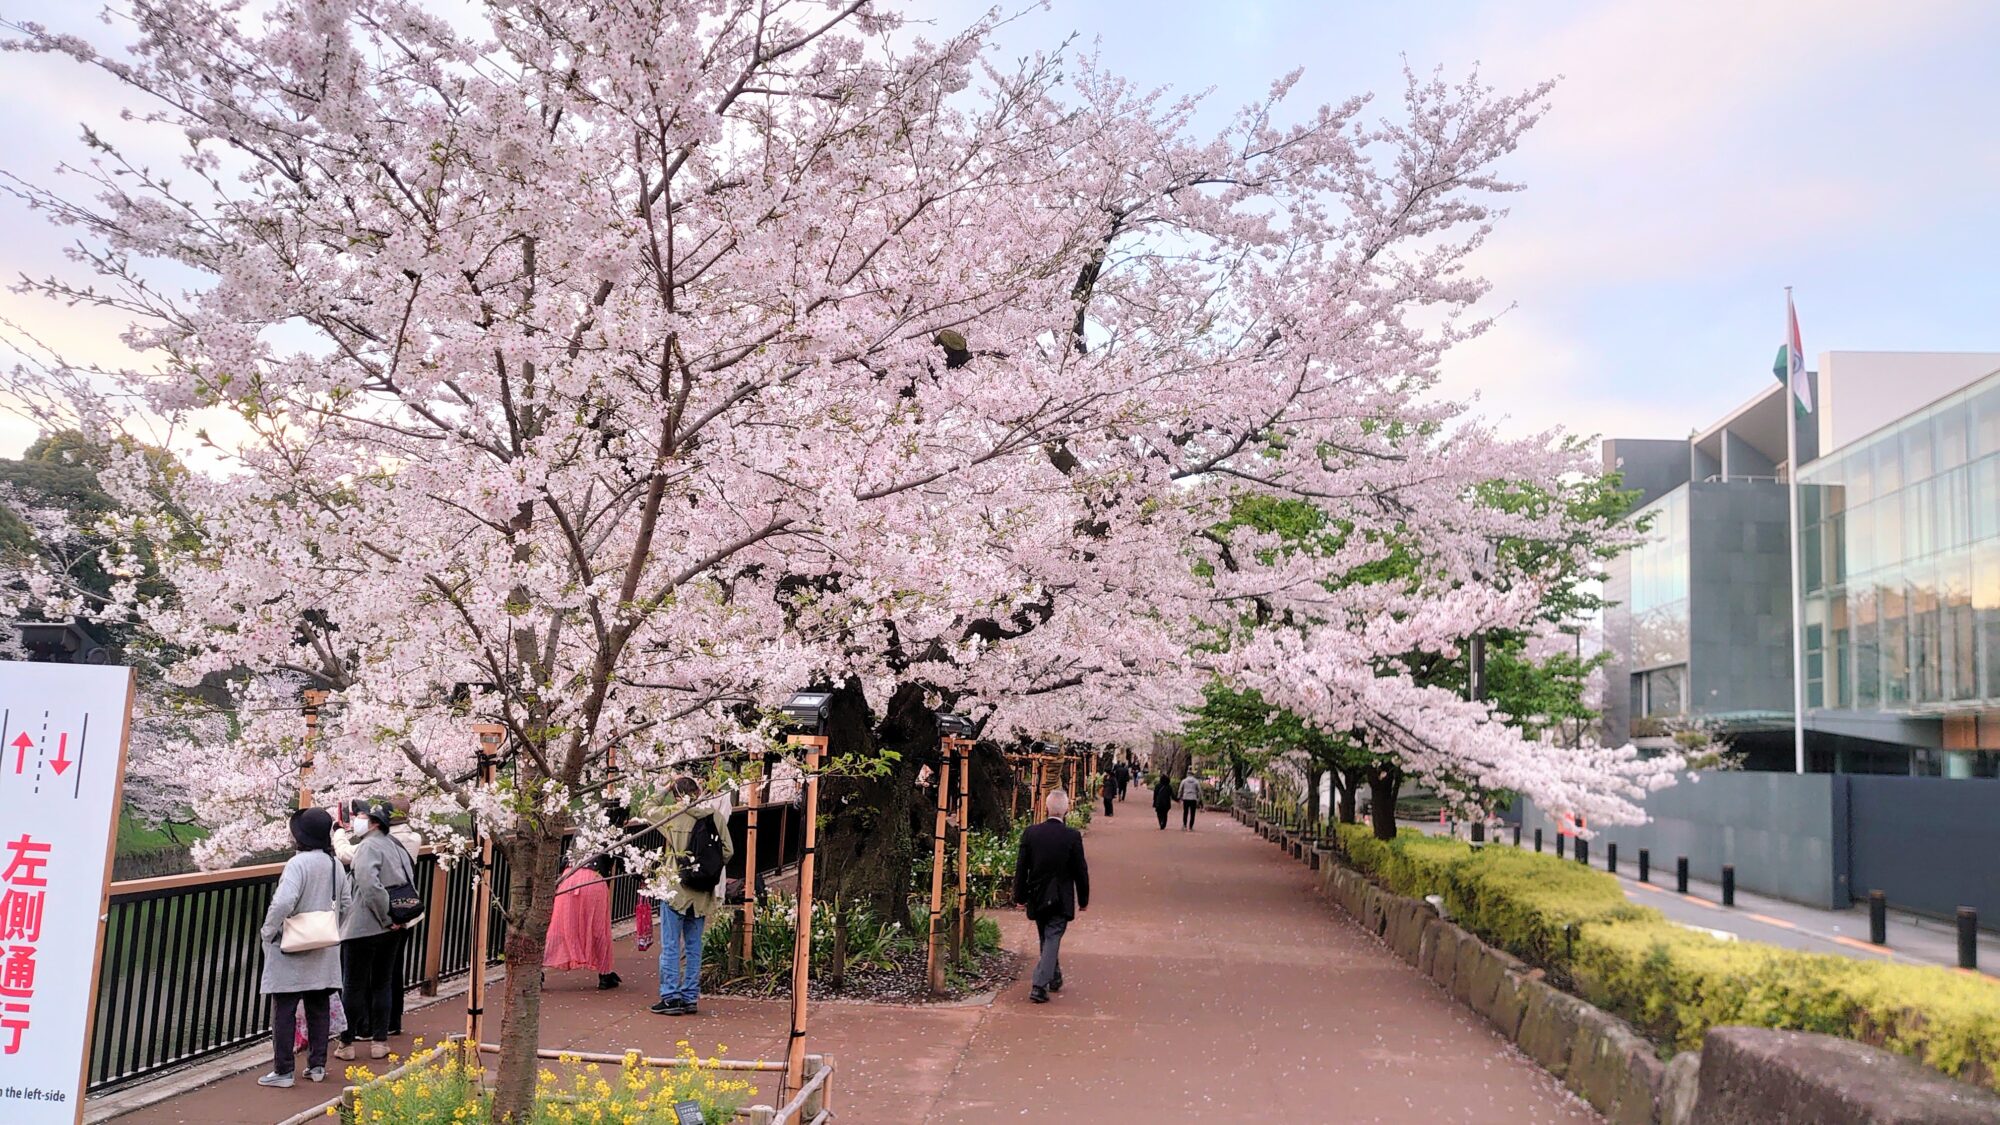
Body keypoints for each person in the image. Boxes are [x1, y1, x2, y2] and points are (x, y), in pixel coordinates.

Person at [257, 808, 349, 1088]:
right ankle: (317, 1065)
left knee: (284, 1008)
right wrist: (330, 926)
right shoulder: (334, 865)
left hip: (292, 945)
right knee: (318, 1005)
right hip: (323, 946)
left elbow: (284, 902)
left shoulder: (297, 865)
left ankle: (284, 1070)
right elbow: (346, 903)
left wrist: (269, 930)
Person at [641, 775, 734, 1016]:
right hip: (702, 892)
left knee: (671, 945)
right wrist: (707, 870)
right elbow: (728, 850)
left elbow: (646, 809)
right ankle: (690, 996)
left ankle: (670, 997)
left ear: (677, 794)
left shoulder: (673, 813)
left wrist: (662, 789)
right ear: (699, 791)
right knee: (694, 946)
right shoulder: (714, 815)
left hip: (675, 888)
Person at [335, 802, 415, 1060]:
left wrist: (385, 916)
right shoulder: (395, 845)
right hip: (394, 927)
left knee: (354, 985)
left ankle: (346, 1043)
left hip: (364, 927)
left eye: (361, 816)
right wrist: (398, 917)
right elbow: (408, 880)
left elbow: (370, 886)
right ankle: (380, 1041)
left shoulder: (368, 846)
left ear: (374, 823)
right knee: (382, 983)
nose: (356, 820)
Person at [1013, 789, 1088, 1004]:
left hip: (1037, 895)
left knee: (1047, 938)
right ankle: (1039, 984)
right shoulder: (1072, 836)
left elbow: (1022, 868)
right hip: (1061, 897)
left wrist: (1019, 896)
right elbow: (1080, 870)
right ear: (1066, 809)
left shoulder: (1031, 833)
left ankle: (1053, 977)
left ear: (1047, 808)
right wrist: (1083, 899)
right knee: (1052, 938)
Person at [544, 856, 620, 990]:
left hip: (569, 877)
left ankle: (537, 971)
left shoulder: (579, 835)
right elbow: (624, 861)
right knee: (598, 929)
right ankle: (605, 975)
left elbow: (564, 859)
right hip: (594, 879)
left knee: (557, 927)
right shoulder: (613, 835)